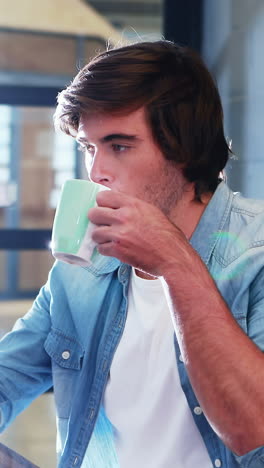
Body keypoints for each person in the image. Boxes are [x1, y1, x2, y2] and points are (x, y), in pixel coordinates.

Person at [1, 40, 264, 468]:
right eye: (89, 147)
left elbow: (252, 431)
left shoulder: (255, 252)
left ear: (183, 148)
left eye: (118, 146)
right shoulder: (79, 273)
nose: (95, 170)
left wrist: (175, 262)